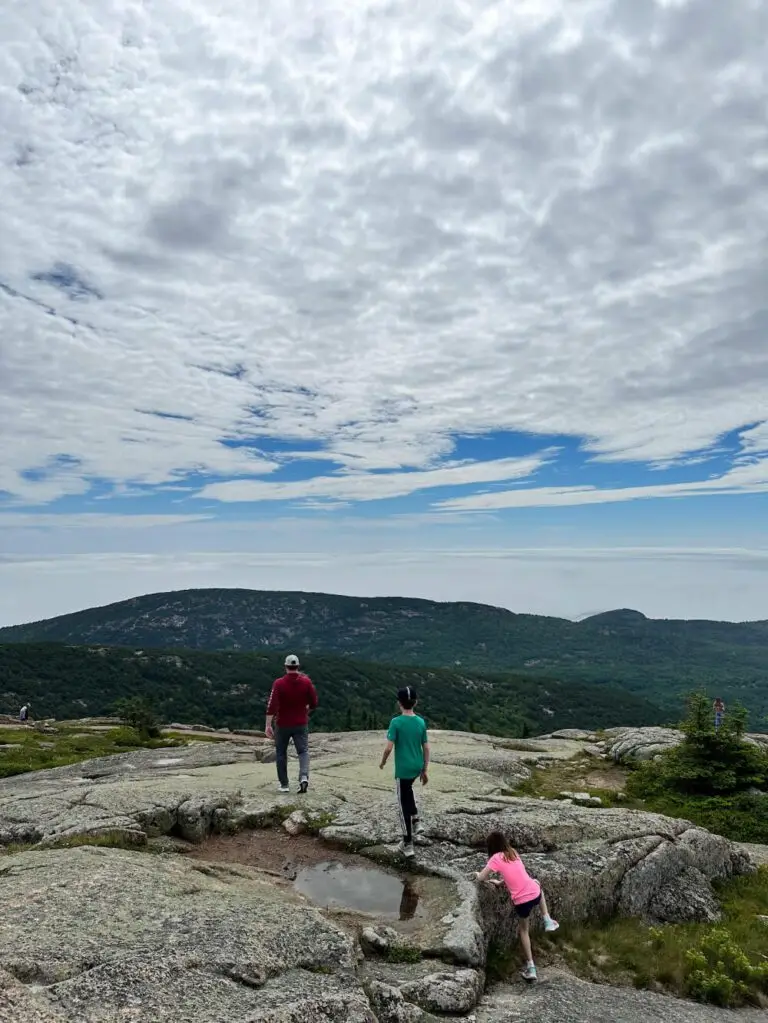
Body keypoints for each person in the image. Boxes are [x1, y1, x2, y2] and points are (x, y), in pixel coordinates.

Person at [473, 830, 559, 983]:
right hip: (534, 893)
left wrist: (477, 874)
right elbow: (516, 874)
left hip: (521, 901)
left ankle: (531, 968)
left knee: (523, 931)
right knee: (537, 885)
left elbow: (481, 878)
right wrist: (500, 882)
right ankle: (547, 919)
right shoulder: (512, 852)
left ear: (491, 846)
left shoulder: (494, 858)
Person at [379, 685, 429, 859]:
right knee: (408, 790)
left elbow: (388, 748)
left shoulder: (396, 722)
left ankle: (408, 844)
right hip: (417, 766)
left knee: (401, 805)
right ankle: (416, 820)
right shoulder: (421, 722)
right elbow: (426, 747)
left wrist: (383, 761)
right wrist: (424, 769)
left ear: (399, 703)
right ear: (415, 702)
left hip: (403, 769)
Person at [265, 655, 318, 794]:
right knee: (303, 751)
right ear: (298, 666)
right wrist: (306, 711)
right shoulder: (306, 682)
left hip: (282, 724)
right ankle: (304, 777)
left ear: (286, 666)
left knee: (281, 753)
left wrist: (268, 725)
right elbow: (314, 702)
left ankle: (284, 785)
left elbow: (272, 706)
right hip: (301, 723)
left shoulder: (279, 683)